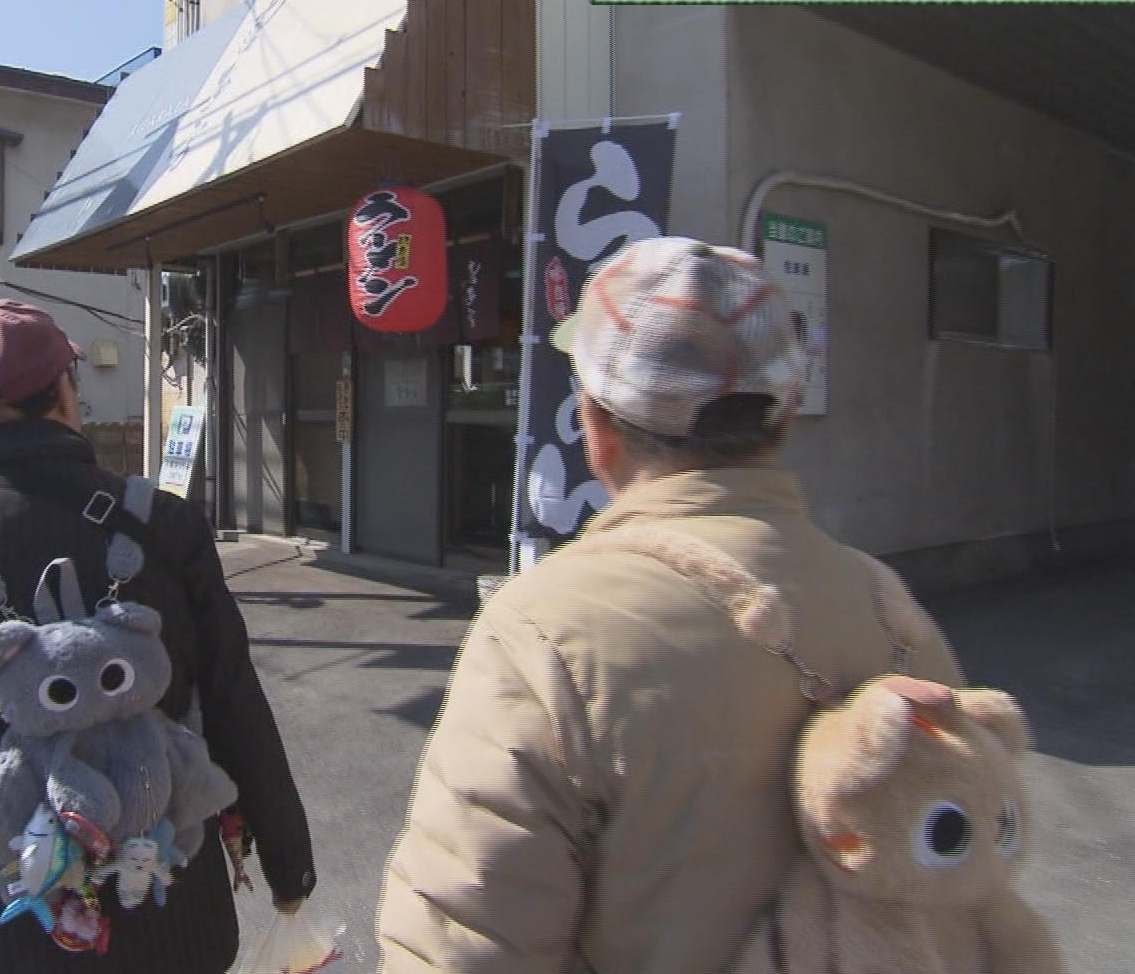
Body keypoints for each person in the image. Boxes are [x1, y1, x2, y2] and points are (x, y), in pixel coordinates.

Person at [377, 237, 965, 973]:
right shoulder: (888, 603)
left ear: (595, 428)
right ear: (785, 416)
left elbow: (465, 941)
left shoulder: (544, 630)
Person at [0, 299, 315, 974]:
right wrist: (289, 867)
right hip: (176, 926)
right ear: (66, 391)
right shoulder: (165, 528)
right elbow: (234, 705)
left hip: (5, 933)